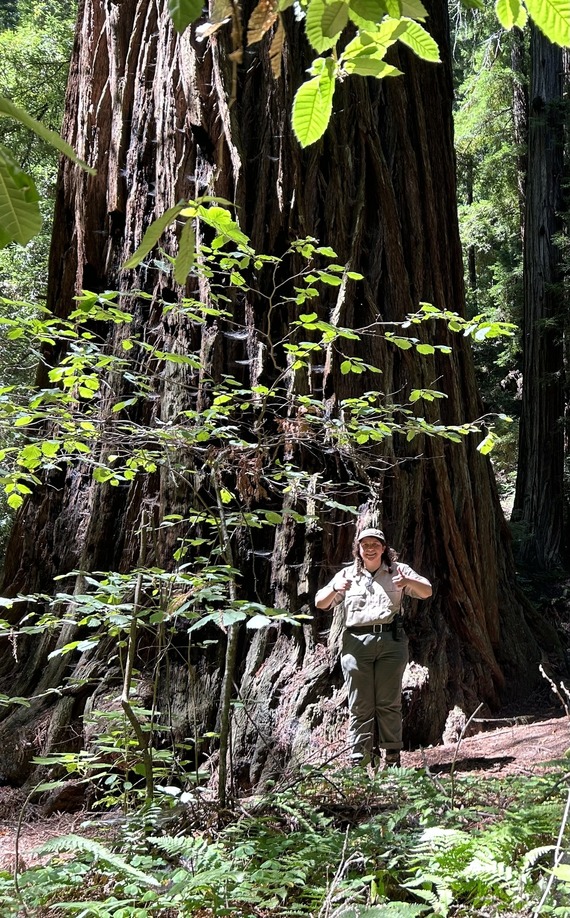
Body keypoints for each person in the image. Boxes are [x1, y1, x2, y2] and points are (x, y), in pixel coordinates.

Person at [315, 528, 432, 768]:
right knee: (360, 704)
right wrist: (335, 588)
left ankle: (392, 759)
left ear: (383, 548)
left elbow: (426, 591)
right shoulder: (347, 575)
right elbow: (320, 602)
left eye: (375, 544)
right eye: (365, 544)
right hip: (356, 645)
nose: (370, 548)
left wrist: (408, 582)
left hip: (391, 642)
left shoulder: (399, 571)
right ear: (358, 549)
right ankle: (359, 760)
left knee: (389, 702)